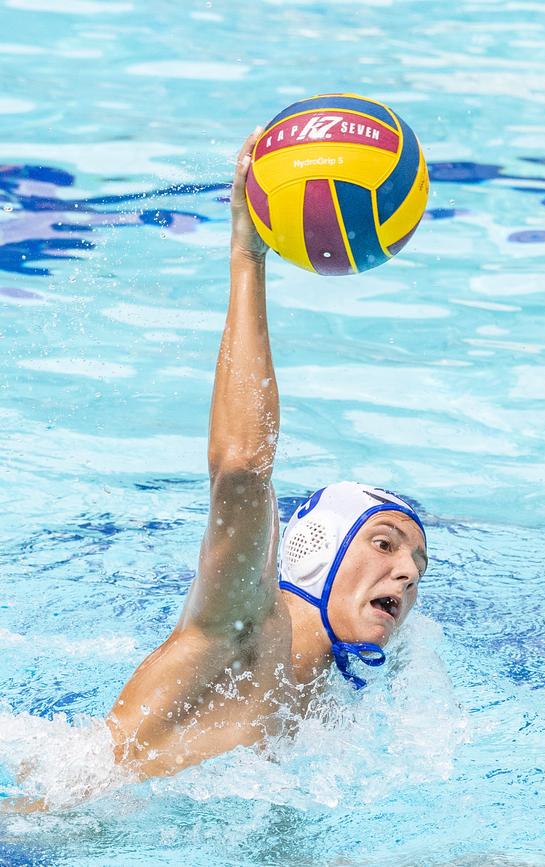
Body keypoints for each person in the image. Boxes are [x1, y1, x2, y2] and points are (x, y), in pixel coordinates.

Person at [106, 131, 428, 780]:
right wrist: (248, 254)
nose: (408, 574)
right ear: (320, 547)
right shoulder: (242, 623)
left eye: (418, 561)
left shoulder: (331, 714)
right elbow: (241, 466)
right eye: (387, 543)